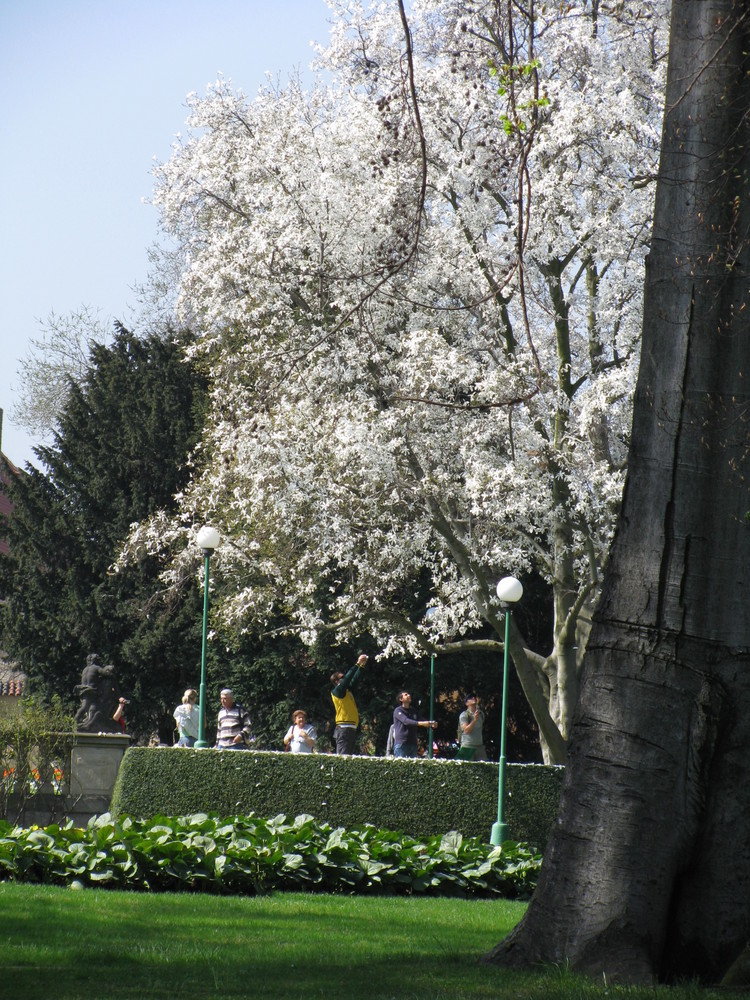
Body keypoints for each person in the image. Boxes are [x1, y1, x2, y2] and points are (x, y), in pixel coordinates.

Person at [330, 653, 368, 754]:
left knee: (348, 758)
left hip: (350, 729)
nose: (345, 678)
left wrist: (362, 666)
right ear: (337, 681)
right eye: (342, 677)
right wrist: (357, 664)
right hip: (343, 729)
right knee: (343, 758)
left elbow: (355, 678)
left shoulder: (348, 691)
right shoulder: (337, 692)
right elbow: (348, 678)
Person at [392, 691, 435, 758]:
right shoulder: (398, 711)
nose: (409, 695)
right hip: (401, 744)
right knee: (401, 767)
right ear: (401, 699)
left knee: (413, 767)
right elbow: (406, 721)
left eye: (408, 694)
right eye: (406, 695)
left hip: (413, 744)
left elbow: (421, 719)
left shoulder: (413, 710)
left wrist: (431, 723)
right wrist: (421, 723)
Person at [459, 692, 487, 761]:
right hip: (467, 746)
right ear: (466, 703)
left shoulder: (481, 714)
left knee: (484, 768)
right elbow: (466, 730)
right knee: (466, 769)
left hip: (479, 745)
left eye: (474, 697)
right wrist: (474, 720)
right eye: (470, 698)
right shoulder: (464, 715)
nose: (473, 698)